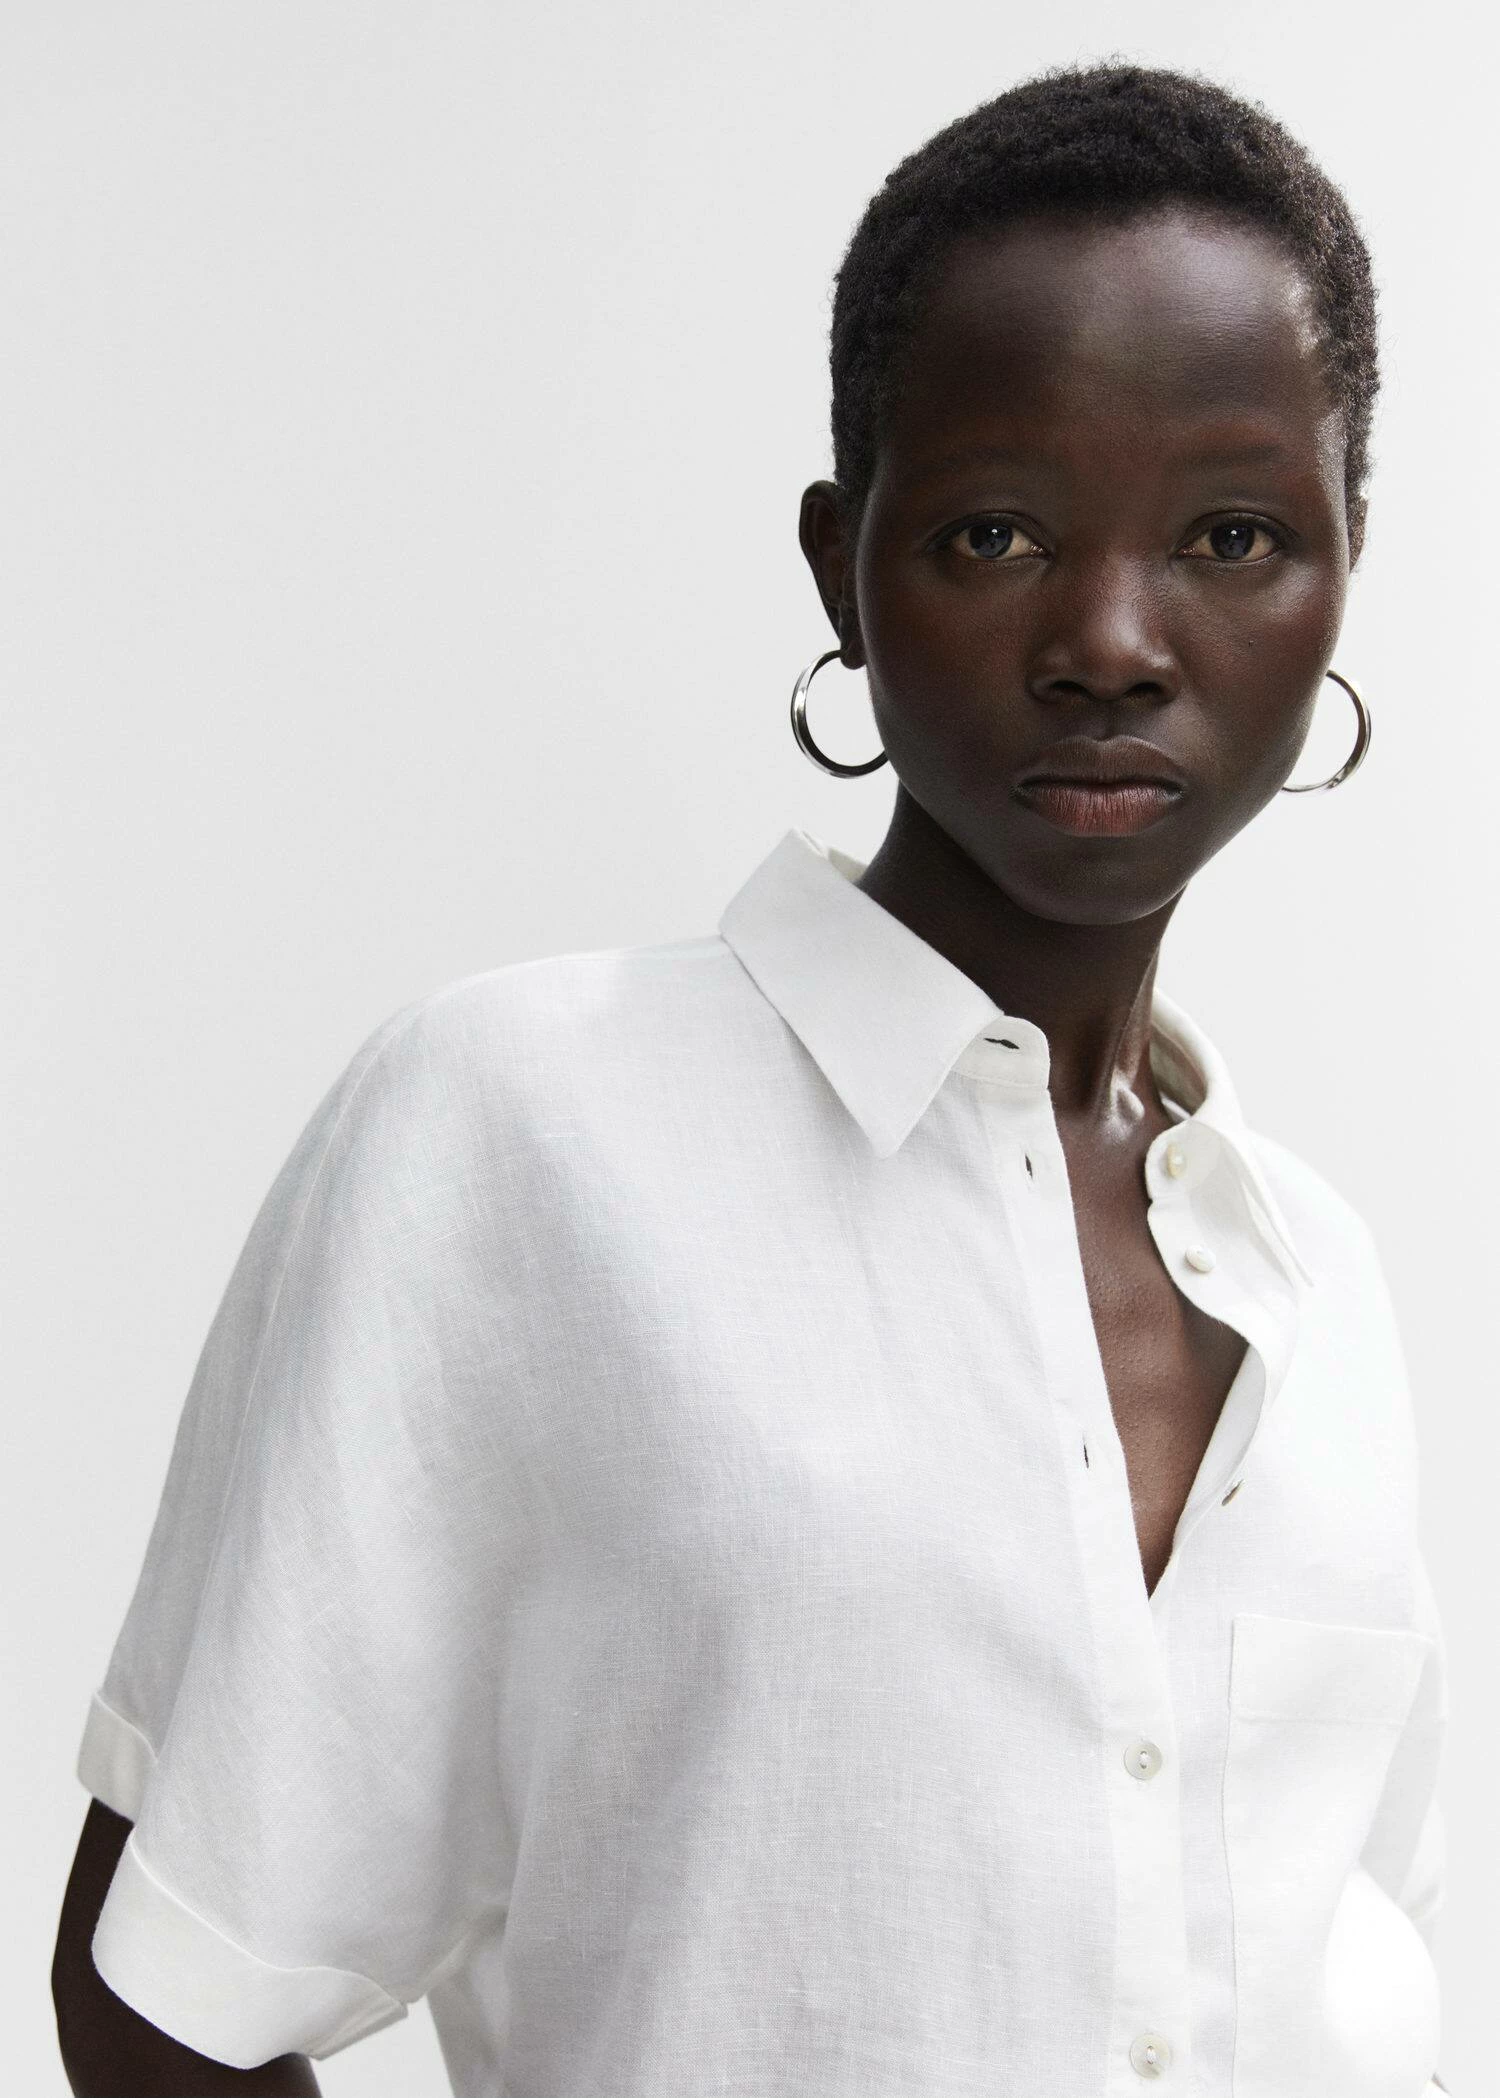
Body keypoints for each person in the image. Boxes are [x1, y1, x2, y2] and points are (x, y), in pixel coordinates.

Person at [52, 59, 1451, 2098]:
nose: (1112, 639)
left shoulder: (1323, 1282)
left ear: (1341, 569)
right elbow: (168, 1993)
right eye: (995, 530)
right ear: (840, 567)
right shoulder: (520, 1129)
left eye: (1232, 534)